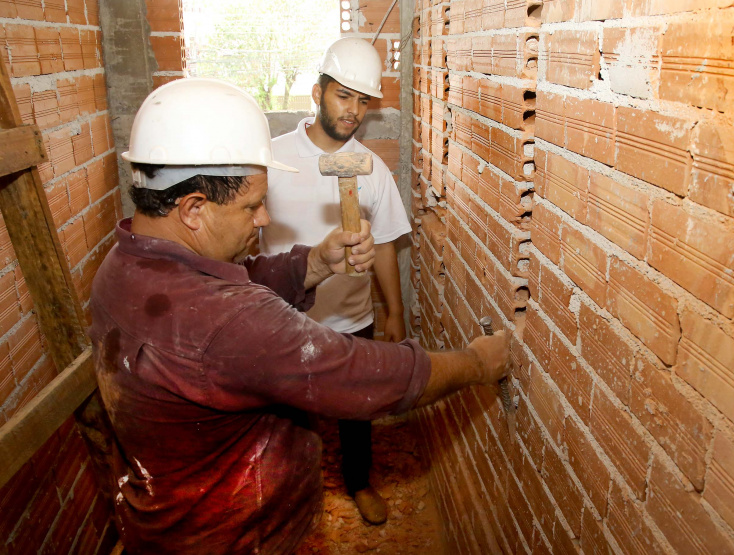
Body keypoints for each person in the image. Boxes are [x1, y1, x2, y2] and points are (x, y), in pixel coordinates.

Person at [88, 77, 510, 555]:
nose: (264, 218)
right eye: (251, 205)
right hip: (239, 538)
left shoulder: (124, 263)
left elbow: (237, 282)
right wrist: (477, 362)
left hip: (168, 521)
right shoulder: (228, 324)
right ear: (193, 209)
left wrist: (315, 262)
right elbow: (364, 374)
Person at [260, 37, 407, 525]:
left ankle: (359, 481)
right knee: (283, 417)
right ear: (317, 92)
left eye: (362, 101)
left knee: (356, 409)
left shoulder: (372, 169)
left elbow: (384, 242)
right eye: (344, 96)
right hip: (282, 318)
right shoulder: (272, 159)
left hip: (350, 316)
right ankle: (287, 493)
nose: (353, 111)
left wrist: (395, 313)